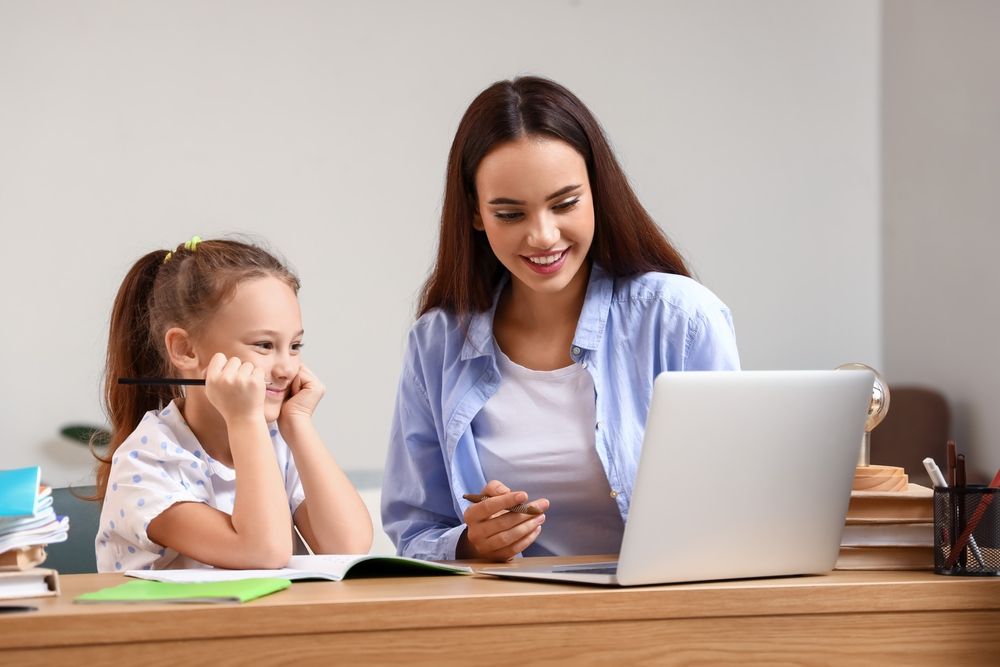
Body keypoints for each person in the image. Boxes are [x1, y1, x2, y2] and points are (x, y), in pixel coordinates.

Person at [381, 76, 740, 563]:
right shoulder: (438, 343)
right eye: (510, 214)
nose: (543, 237)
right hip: (513, 620)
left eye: (565, 203)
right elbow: (415, 528)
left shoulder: (682, 319)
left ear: (598, 193)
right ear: (475, 215)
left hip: (663, 612)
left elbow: (736, 508)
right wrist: (471, 543)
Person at [94, 236, 372, 572]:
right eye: (264, 345)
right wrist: (245, 420)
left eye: (295, 346)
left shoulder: (279, 441)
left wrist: (298, 424)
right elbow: (263, 552)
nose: (286, 368)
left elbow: (348, 546)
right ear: (185, 349)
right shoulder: (147, 460)